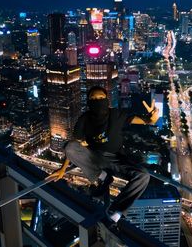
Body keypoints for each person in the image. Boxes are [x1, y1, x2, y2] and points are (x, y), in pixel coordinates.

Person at [50, 86, 159, 223]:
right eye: (93, 99)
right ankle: (103, 176)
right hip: (95, 158)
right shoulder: (84, 119)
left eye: (101, 98)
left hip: (117, 159)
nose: (97, 101)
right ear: (88, 102)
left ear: (106, 99)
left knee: (143, 175)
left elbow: (147, 121)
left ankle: (117, 211)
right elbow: (73, 146)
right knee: (69, 146)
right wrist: (63, 168)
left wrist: (152, 117)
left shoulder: (116, 115)